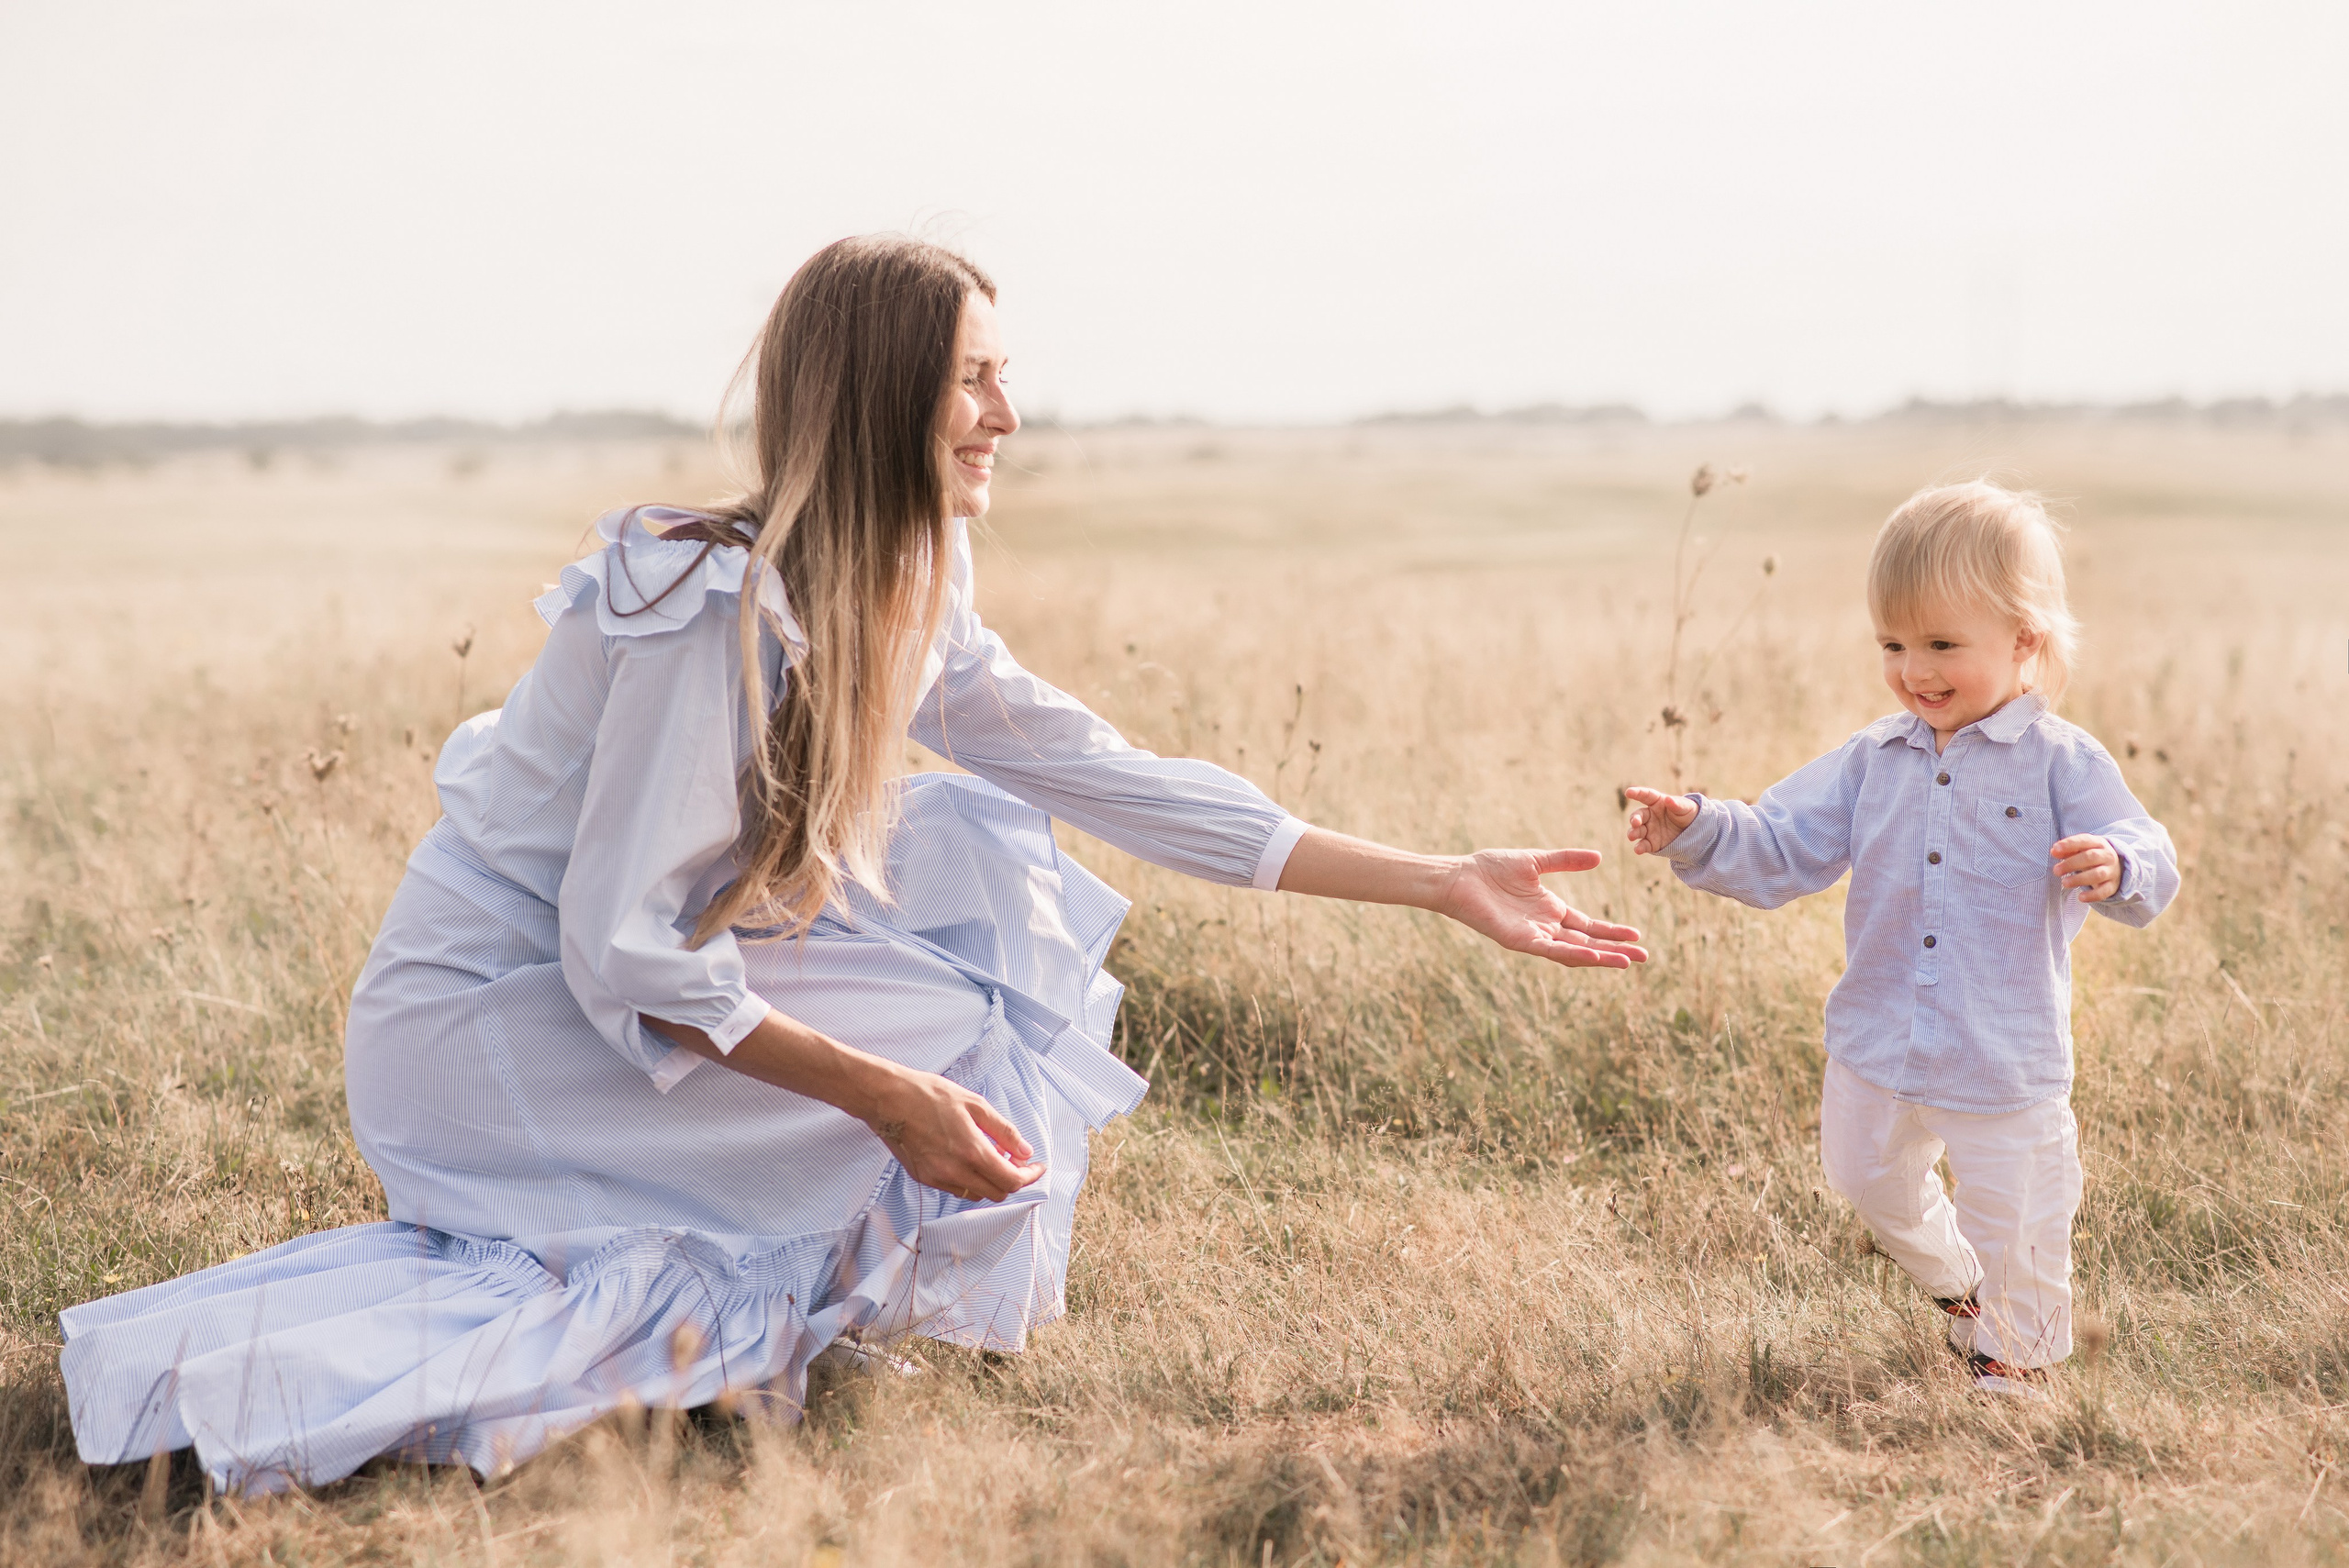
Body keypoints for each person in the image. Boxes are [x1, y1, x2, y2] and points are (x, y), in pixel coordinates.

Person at [60, 235, 1647, 1494]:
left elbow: (1111, 774)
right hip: (490, 1017)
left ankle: (824, 1298)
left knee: (975, 844)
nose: (1009, 417)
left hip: (605, 978)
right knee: (885, 1055)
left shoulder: (900, 579)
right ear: (888, 393)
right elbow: (625, 951)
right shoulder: (713, 602)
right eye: (976, 380)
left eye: (1005, 376)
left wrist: (1441, 877)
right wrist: (878, 1090)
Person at [1622, 482, 2177, 1396]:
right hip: (1878, 1038)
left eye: (1942, 644)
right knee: (1865, 1176)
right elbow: (1781, 842)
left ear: (2023, 640)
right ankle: (1959, 1289)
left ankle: (2015, 1371)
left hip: (1999, 1052)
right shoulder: (1872, 756)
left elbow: (2148, 848)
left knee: (2020, 1210)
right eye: (1893, 644)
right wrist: (1696, 827)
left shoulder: (2061, 762)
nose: (1914, 670)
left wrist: (2118, 862)